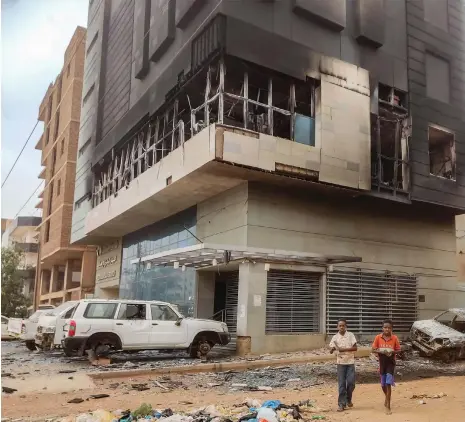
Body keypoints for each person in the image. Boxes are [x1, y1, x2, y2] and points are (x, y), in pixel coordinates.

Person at [372, 319, 401, 415]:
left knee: (388, 383)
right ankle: (387, 397)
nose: (387, 329)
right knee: (383, 384)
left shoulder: (395, 338)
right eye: (385, 327)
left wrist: (392, 352)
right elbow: (373, 349)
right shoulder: (378, 337)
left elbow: (398, 350)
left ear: (391, 329)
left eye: (389, 328)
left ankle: (388, 406)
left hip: (390, 363)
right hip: (382, 363)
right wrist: (381, 351)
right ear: (382, 328)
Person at [329, 319, 358, 412]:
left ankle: (348, 399)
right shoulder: (335, 337)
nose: (341, 327)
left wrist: (344, 350)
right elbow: (331, 348)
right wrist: (332, 349)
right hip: (340, 363)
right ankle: (341, 404)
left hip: (350, 362)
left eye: (343, 325)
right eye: (340, 326)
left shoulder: (350, 335)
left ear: (346, 326)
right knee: (341, 385)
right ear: (337, 327)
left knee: (351, 383)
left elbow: (355, 348)